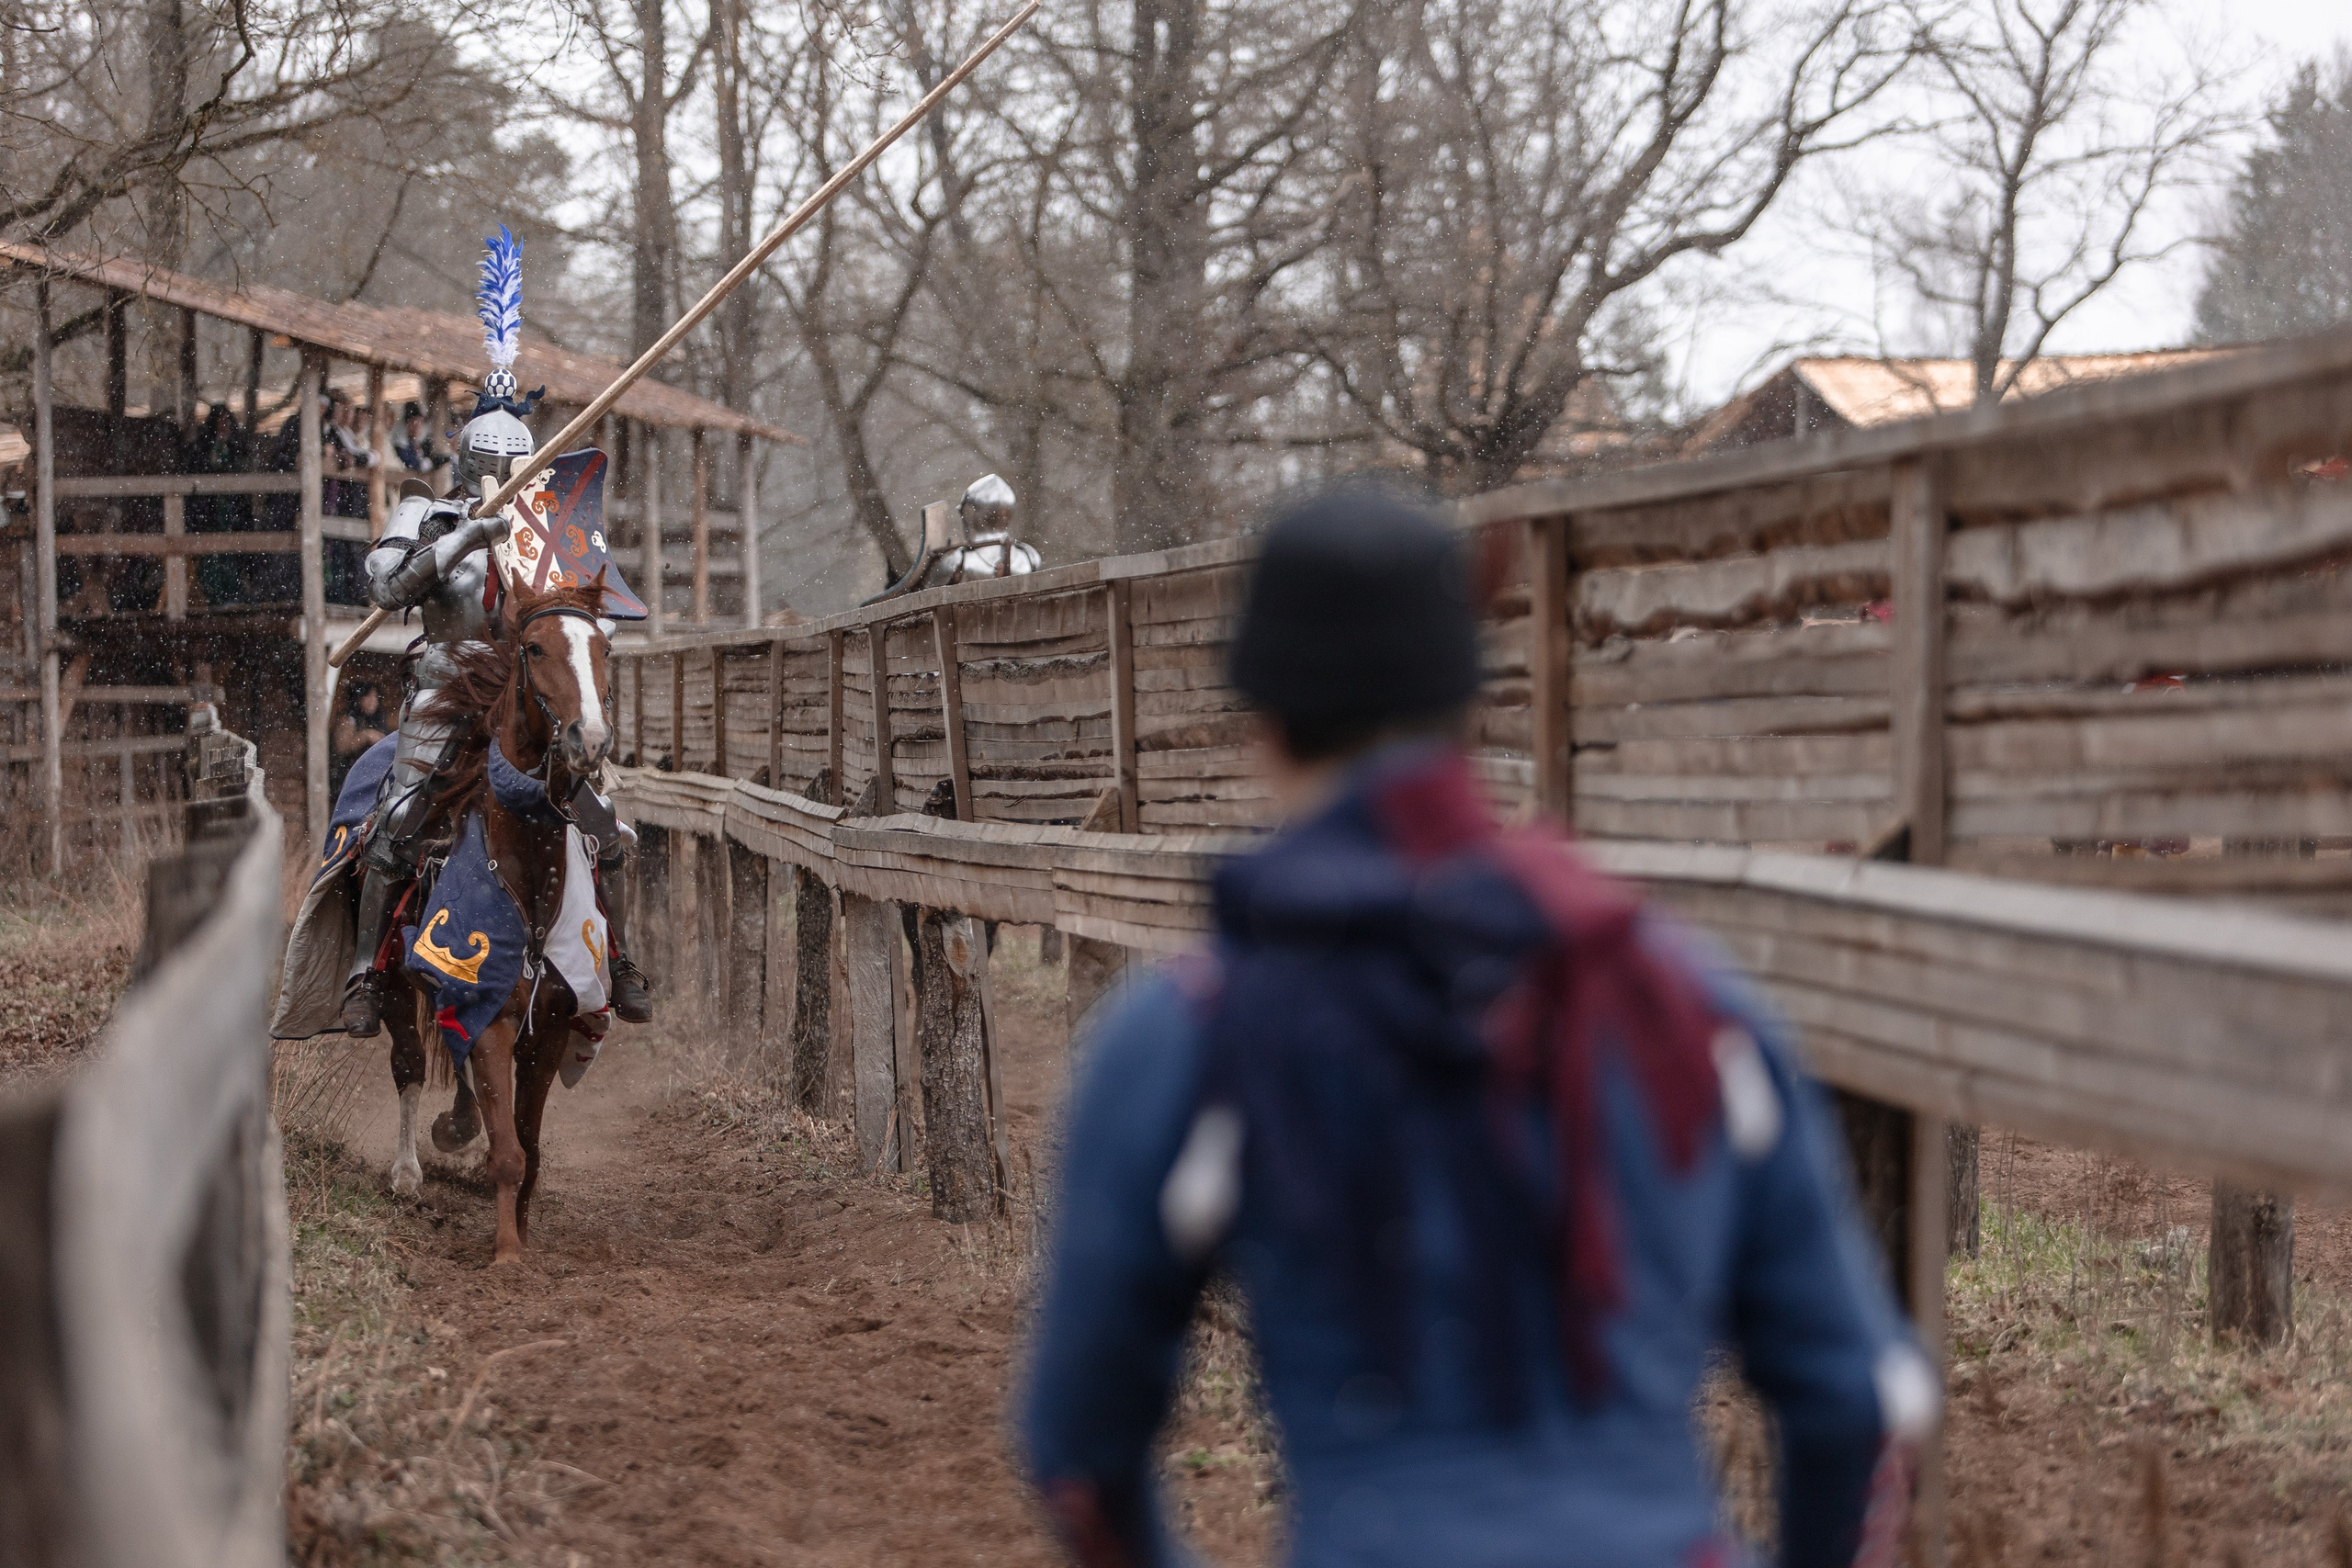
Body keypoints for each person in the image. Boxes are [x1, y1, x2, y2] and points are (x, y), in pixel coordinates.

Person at [1019, 482, 1934, 1568]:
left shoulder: (1193, 1036)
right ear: (1467, 707)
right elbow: (1866, 1404)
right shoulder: (1682, 1003)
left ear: (1255, 724)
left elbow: (1076, 1451)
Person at [341, 225, 653, 1037]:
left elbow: (587, 611)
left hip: (526, 694)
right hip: (446, 688)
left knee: (600, 822)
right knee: (397, 824)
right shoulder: (429, 510)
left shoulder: (549, 536)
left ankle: (616, 959)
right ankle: (365, 976)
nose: (499, 484)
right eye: (491, 471)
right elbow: (379, 582)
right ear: (465, 462)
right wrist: (466, 538)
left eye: (513, 474)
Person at [331, 680, 390, 801]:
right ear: (358, 698)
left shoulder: (377, 719)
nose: (373, 701)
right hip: (349, 774)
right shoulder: (348, 718)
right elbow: (343, 746)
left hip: (372, 775)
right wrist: (365, 736)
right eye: (368, 696)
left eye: (375, 697)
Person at [393, 400, 440, 475]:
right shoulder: (400, 444)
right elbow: (410, 465)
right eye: (414, 423)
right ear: (407, 424)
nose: (417, 427)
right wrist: (430, 463)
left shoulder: (417, 443)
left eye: (420, 422)